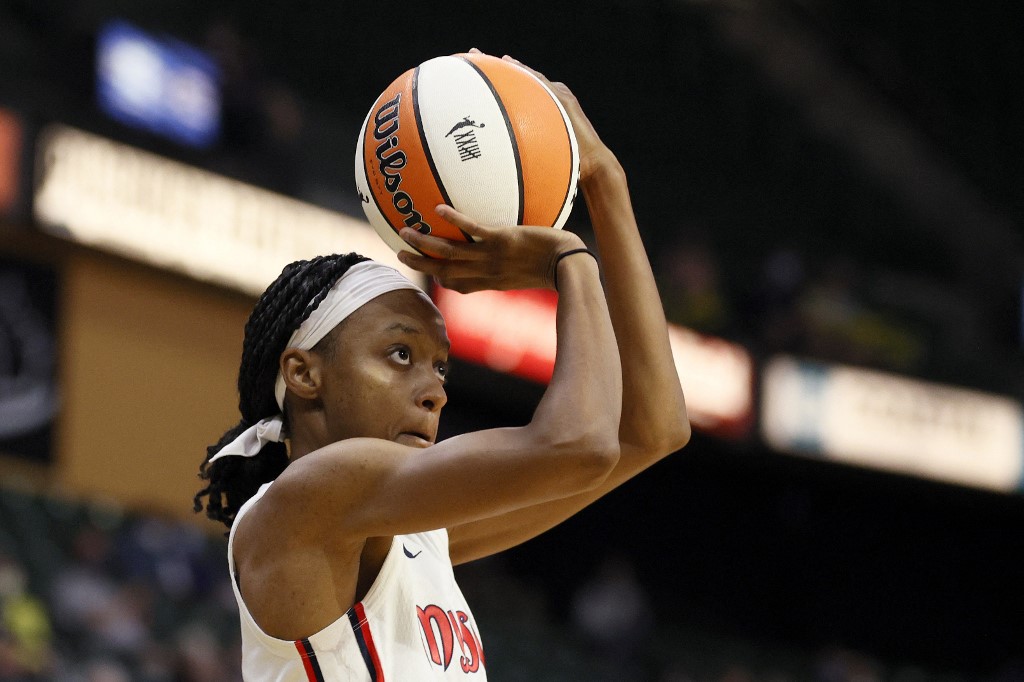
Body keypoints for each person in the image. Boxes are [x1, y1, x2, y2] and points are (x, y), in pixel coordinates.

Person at [194, 53, 690, 681]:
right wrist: (571, 261)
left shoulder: (420, 540)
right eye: (400, 355)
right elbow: (583, 443)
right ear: (304, 374)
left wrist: (604, 182)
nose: (434, 392)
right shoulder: (304, 501)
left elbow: (653, 433)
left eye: (441, 368)